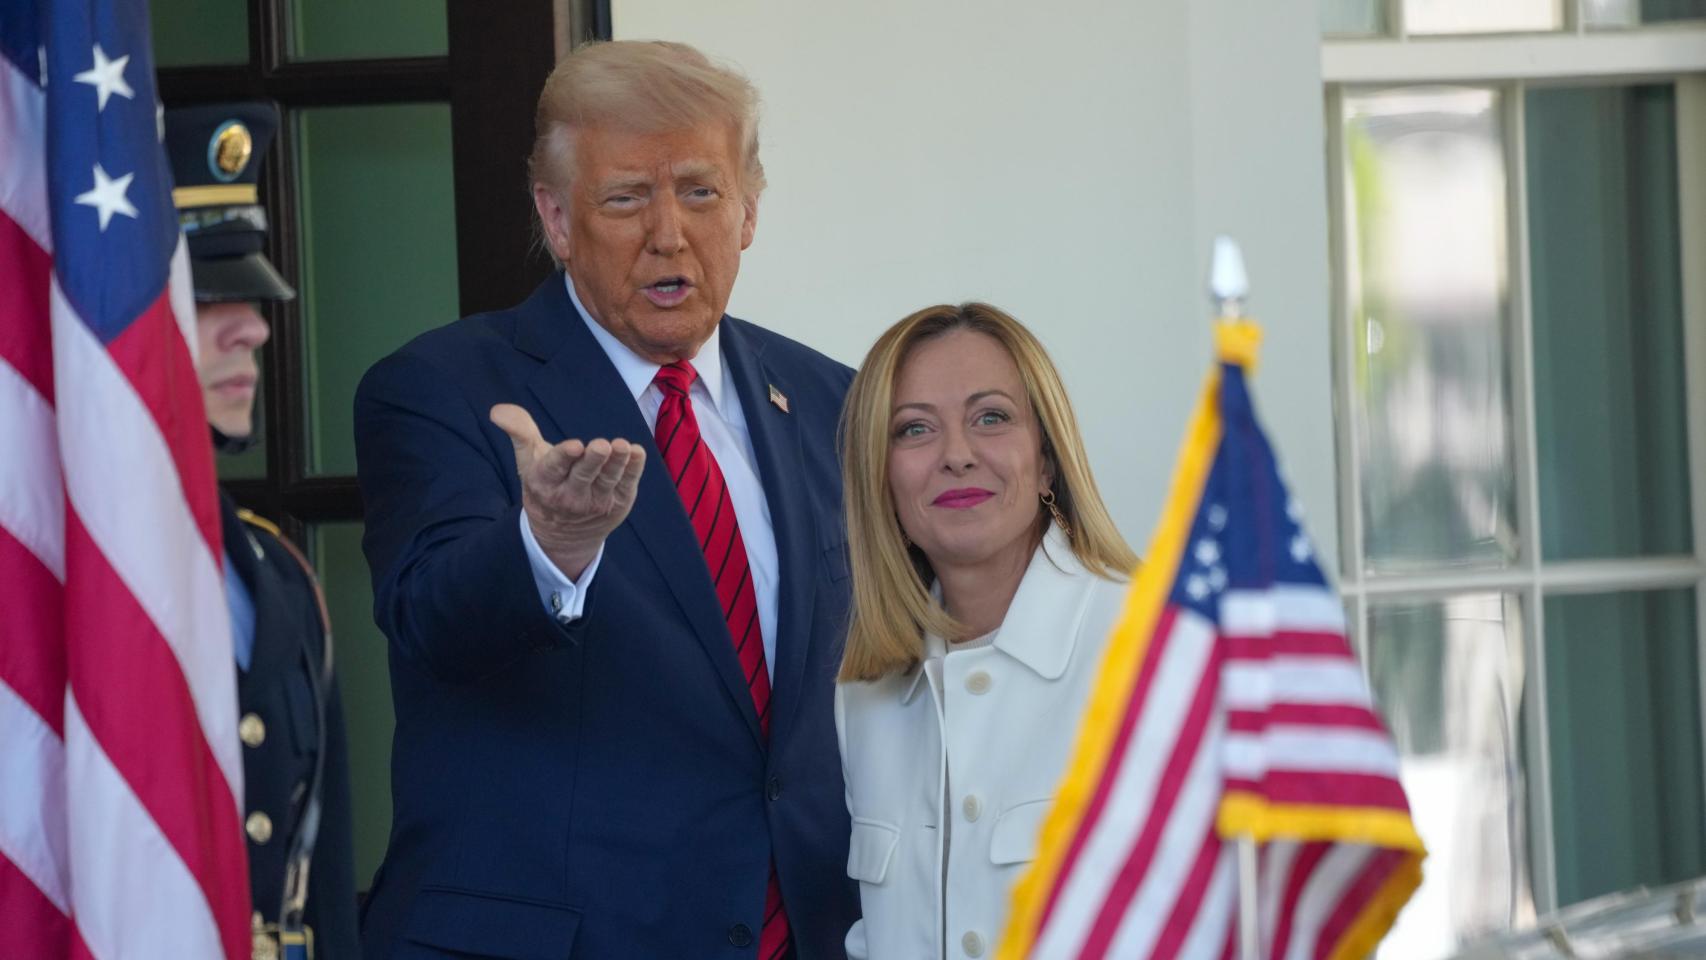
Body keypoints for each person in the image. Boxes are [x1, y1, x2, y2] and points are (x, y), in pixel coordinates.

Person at [352, 41, 859, 958]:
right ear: (557, 218)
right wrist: (548, 544)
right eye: (627, 196)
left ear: (748, 212)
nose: (669, 232)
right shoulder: (440, 388)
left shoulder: (832, 402)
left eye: (701, 191)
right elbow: (430, 618)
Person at [834, 302, 1140, 959]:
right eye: (914, 430)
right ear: (880, 480)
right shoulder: (865, 692)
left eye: (991, 418)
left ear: (1047, 458)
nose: (957, 455)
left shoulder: (1154, 649)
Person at [166, 102, 360, 960]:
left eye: (252, 295)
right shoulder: (45, 570)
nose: (255, 326)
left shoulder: (275, 570)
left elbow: (324, 879)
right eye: (209, 297)